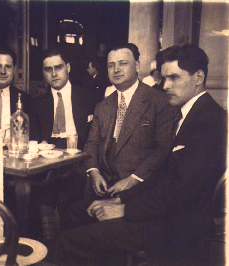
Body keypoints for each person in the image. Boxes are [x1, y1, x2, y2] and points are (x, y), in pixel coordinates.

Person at [53, 44, 227, 266]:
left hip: (171, 226)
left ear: (199, 77)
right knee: (77, 212)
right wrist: (121, 199)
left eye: (174, 78)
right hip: (159, 209)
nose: (166, 86)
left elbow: (180, 191)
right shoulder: (192, 113)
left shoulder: (210, 120)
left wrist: (123, 208)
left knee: (66, 241)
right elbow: (167, 178)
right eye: (164, 79)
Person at [82, 43, 177, 203]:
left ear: (138, 66)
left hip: (138, 189)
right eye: (111, 65)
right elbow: (91, 144)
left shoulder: (159, 101)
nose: (116, 70)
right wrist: (94, 172)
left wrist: (133, 179)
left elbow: (163, 149)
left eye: (123, 63)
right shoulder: (102, 106)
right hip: (102, 184)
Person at [29, 48, 95, 242]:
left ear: (68, 68)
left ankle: (64, 241)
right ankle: (51, 242)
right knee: (44, 185)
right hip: (49, 158)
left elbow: (95, 137)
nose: (54, 73)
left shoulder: (89, 96)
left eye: (58, 67)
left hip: (80, 155)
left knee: (70, 188)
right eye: (48, 69)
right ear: (43, 72)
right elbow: (34, 138)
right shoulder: (37, 103)